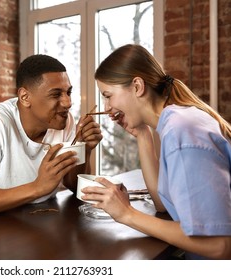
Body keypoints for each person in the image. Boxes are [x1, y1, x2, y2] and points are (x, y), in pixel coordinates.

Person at [82, 44, 231, 260]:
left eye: (108, 95)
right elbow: (164, 204)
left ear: (137, 86)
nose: (106, 107)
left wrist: (127, 214)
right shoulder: (176, 120)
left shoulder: (182, 130)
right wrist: (143, 134)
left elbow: (219, 244)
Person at [0, 54, 102, 217]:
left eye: (68, 92)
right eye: (56, 94)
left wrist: (84, 148)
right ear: (25, 97)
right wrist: (37, 188)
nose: (67, 103)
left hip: (41, 219)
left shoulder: (63, 119)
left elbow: (74, 185)